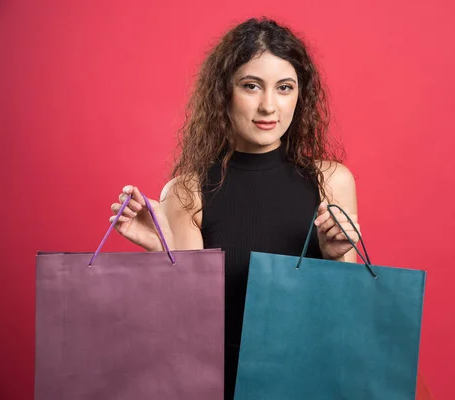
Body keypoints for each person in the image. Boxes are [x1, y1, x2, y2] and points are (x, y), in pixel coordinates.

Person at [109, 18, 362, 399]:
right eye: (251, 86)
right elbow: (187, 321)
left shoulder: (331, 181)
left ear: (300, 95)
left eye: (284, 88)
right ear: (223, 93)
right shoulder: (186, 191)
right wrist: (162, 252)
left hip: (309, 378)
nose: (268, 106)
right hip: (217, 383)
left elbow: (346, 312)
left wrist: (333, 256)